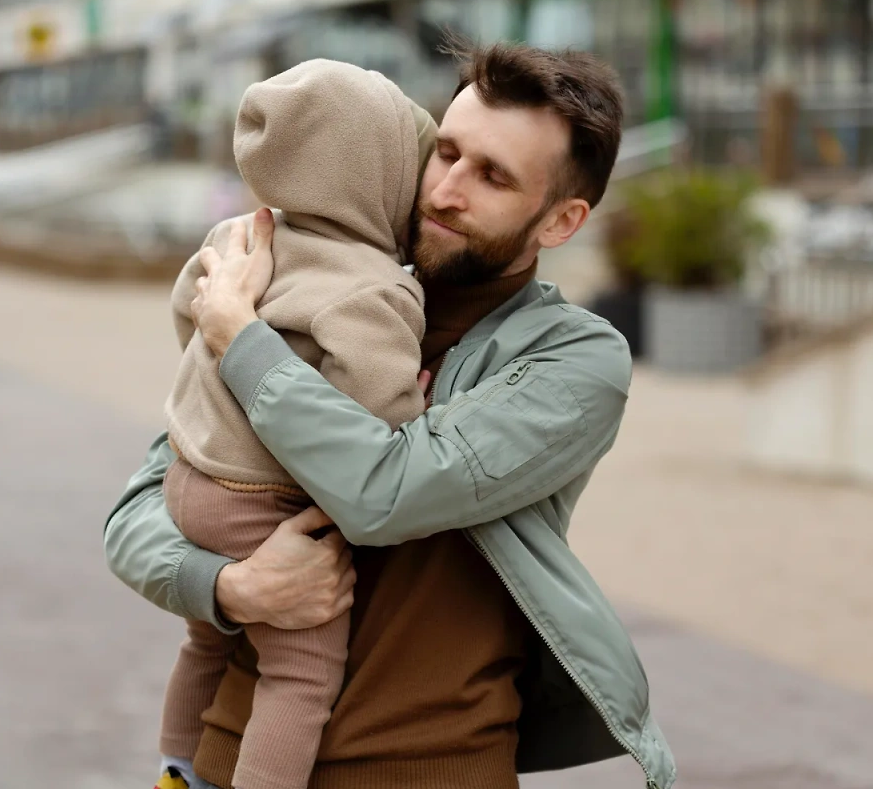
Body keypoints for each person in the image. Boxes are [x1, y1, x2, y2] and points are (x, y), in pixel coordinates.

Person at [106, 40, 677, 789]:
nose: (445, 190)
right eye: (445, 153)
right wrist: (226, 587)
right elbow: (144, 504)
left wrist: (239, 339)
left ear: (560, 221)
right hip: (232, 762)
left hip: (432, 769)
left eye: (493, 176)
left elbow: (387, 492)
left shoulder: (573, 360)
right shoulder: (305, 283)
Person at [157, 59, 437, 789]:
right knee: (302, 671)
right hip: (256, 498)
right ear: (377, 174)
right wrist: (421, 403)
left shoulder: (240, 235)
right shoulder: (371, 289)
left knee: (205, 644)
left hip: (187, 473)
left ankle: (175, 771)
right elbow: (382, 419)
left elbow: (188, 311)